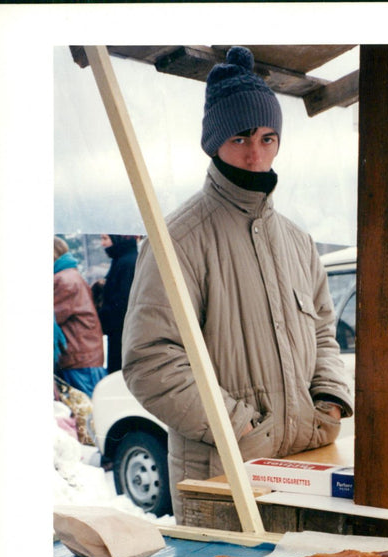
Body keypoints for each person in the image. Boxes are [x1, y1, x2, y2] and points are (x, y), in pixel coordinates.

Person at [123, 46, 353, 525]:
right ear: (214, 142)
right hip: (222, 475)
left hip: (305, 466)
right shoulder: (179, 239)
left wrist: (328, 399)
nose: (255, 154)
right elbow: (150, 361)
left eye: (269, 138)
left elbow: (324, 332)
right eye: (241, 137)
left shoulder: (297, 240)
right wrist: (241, 427)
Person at [53, 236, 107, 398]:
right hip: (84, 355)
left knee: (88, 411)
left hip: (79, 359)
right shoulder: (70, 274)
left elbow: (53, 315)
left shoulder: (64, 280)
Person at [98, 234, 140, 372]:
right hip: (122, 333)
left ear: (117, 238)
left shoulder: (126, 263)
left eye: (105, 238)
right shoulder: (122, 260)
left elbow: (122, 302)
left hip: (122, 334)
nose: (102, 243)